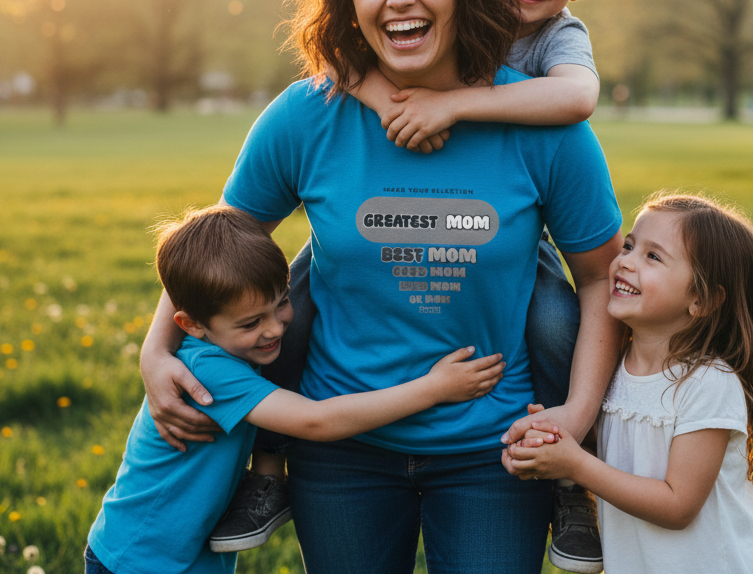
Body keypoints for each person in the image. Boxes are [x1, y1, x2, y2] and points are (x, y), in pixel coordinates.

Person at [139, 0, 624, 574]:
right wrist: (155, 353)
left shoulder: (542, 122)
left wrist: (574, 418)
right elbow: (221, 241)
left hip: (496, 455)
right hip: (340, 456)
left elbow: (602, 274)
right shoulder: (310, 114)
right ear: (353, 0)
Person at [85, 204, 504, 574]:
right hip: (139, 556)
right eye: (251, 323)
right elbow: (316, 421)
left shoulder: (234, 350)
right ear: (192, 326)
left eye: (282, 302)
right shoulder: (208, 369)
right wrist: (432, 388)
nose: (274, 328)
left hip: (185, 551)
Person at [505, 194, 753, 574]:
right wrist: (550, 438)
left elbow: (677, 506)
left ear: (700, 299)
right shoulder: (614, 371)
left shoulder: (708, 382)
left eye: (652, 257)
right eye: (630, 246)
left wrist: (577, 465)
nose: (624, 262)